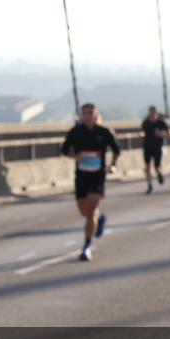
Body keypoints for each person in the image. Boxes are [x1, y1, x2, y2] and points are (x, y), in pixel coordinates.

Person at [61, 103, 121, 261]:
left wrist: (113, 165)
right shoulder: (75, 132)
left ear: (96, 115)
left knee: (90, 212)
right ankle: (100, 218)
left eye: (90, 113)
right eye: (85, 113)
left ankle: (87, 246)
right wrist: (75, 157)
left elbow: (117, 150)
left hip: (97, 176)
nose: (87, 116)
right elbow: (64, 150)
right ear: (81, 116)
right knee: (84, 212)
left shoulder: (104, 132)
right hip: (81, 176)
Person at [140, 106, 170, 194]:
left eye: (154, 112)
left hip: (157, 147)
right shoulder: (146, 122)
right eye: (151, 112)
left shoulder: (161, 123)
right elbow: (142, 131)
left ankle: (159, 174)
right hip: (147, 147)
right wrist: (141, 134)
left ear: (156, 113)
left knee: (157, 166)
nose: (152, 114)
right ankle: (150, 186)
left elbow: (168, 134)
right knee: (147, 167)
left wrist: (160, 134)